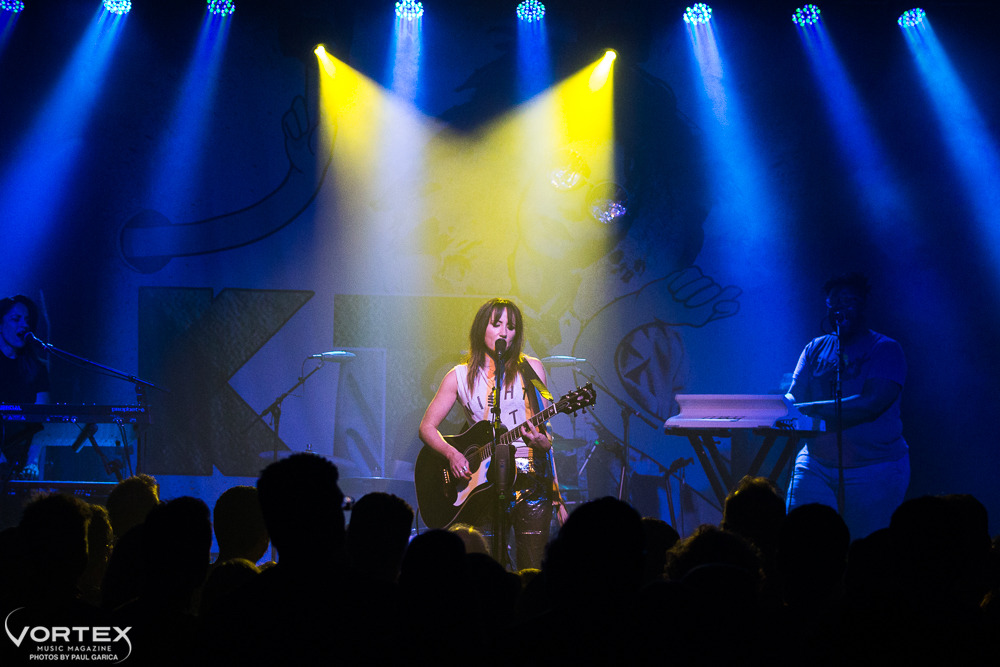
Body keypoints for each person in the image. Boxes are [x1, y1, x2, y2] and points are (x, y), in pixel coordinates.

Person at [418, 298, 567, 570]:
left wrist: (557, 495)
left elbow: (548, 432)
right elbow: (426, 427)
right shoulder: (458, 376)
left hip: (530, 478)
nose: (503, 332)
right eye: (496, 324)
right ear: (481, 328)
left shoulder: (533, 368)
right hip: (481, 486)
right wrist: (452, 454)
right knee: (482, 567)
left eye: (511, 327)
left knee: (531, 568)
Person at [785, 272, 908, 540]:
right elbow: (794, 396)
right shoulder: (814, 348)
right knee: (801, 539)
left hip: (874, 467)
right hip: (815, 462)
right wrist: (778, 408)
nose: (841, 307)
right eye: (834, 303)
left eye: (849, 301)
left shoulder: (885, 349)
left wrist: (810, 408)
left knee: (865, 550)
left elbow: (871, 404)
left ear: (863, 305)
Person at [0, 295, 49, 480]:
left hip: (21, 461)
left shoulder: (37, 368)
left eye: (27, 320)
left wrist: (32, 462)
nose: (23, 325)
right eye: (16, 319)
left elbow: (42, 418)